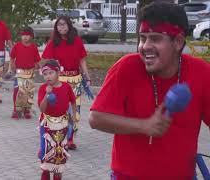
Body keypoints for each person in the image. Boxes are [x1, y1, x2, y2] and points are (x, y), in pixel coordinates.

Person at [89, 2, 210, 179]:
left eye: (155, 38)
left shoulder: (201, 72)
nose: (145, 46)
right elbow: (96, 118)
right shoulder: (126, 67)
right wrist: (145, 126)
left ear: (178, 42)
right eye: (142, 38)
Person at [42, 16, 91, 150]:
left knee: (74, 109)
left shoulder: (76, 41)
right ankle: (58, 135)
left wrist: (87, 76)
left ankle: (70, 138)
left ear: (69, 26)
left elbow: (82, 60)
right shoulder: (53, 42)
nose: (61, 27)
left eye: (64, 25)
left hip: (75, 80)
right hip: (60, 81)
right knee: (61, 108)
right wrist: (50, 77)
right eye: (59, 25)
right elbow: (47, 60)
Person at [38, 59, 77, 180]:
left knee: (59, 153)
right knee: (46, 151)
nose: (48, 76)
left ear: (58, 72)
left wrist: (73, 117)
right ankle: (45, 172)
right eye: (45, 74)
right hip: (47, 125)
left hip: (62, 125)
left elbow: (73, 102)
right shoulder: (43, 88)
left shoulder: (66, 87)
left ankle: (57, 174)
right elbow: (42, 109)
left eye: (51, 73)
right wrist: (46, 95)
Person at [7, 26, 40, 119]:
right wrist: (10, 69)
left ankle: (26, 110)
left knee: (29, 92)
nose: (25, 37)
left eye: (27, 35)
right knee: (18, 90)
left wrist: (40, 68)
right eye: (23, 35)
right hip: (19, 72)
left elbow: (37, 60)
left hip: (30, 72)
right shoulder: (17, 46)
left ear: (31, 36)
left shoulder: (34, 47)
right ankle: (16, 110)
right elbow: (12, 58)